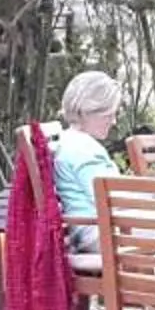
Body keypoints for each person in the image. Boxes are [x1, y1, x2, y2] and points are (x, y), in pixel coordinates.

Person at [51, 70, 123, 251]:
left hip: (85, 233)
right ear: (88, 111)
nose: (113, 121)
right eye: (109, 115)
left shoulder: (66, 141)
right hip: (98, 237)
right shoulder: (84, 150)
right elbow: (111, 200)